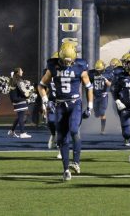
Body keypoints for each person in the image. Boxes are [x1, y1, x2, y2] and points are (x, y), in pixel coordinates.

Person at [37, 42, 93, 181]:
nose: (68, 63)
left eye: (70, 60)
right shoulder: (53, 65)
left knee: (74, 130)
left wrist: (90, 106)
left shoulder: (80, 66)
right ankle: (66, 169)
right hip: (60, 105)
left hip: (75, 104)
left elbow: (89, 87)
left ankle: (77, 162)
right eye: (65, 60)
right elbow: (41, 85)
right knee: (62, 138)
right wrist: (45, 100)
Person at [88, 60, 112, 134]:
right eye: (97, 70)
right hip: (95, 96)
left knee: (102, 112)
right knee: (96, 114)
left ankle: (102, 130)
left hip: (103, 96)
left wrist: (105, 80)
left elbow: (111, 85)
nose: (99, 72)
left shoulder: (107, 74)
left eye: (100, 70)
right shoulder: (92, 74)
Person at [8, 68, 32, 139]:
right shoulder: (19, 80)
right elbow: (24, 92)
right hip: (20, 100)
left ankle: (12, 131)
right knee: (22, 117)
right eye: (21, 71)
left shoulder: (13, 79)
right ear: (18, 72)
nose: (22, 71)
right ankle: (22, 133)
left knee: (19, 117)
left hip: (15, 100)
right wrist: (29, 91)